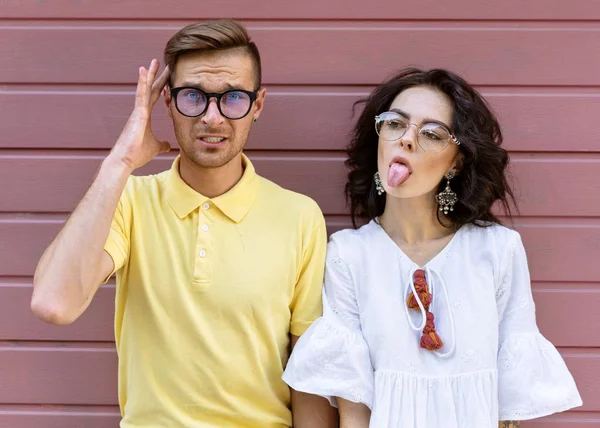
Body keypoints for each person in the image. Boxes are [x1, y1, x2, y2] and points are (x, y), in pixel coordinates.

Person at [31, 19, 337, 428]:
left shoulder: (300, 216)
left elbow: (309, 377)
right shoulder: (129, 201)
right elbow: (54, 304)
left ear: (258, 104)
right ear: (168, 102)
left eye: (232, 98)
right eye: (194, 96)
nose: (212, 118)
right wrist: (119, 164)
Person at [282, 68, 582, 428]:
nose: (407, 140)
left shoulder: (498, 249)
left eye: (431, 133)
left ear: (456, 161)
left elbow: (508, 408)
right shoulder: (348, 255)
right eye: (395, 124)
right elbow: (354, 405)